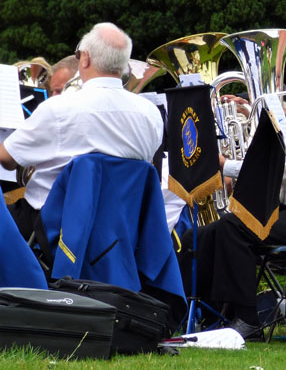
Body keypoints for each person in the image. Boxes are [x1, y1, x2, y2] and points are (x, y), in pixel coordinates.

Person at [179, 51, 286, 340]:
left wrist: (228, 166)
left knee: (233, 228)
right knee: (199, 237)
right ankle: (196, 314)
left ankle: (247, 319)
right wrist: (251, 114)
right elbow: (273, 149)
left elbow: (285, 167)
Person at [0, 22, 164, 240]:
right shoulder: (151, 115)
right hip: (121, 233)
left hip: (55, 230)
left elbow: (7, 159)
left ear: (85, 58)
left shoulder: (58, 109)